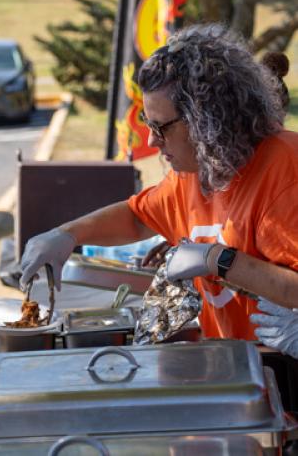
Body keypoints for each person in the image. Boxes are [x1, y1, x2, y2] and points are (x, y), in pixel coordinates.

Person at [20, 23, 298, 343]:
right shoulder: (196, 170)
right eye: (147, 124)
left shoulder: (285, 170)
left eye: (161, 126)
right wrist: (67, 234)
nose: (152, 140)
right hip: (234, 361)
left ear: (207, 120)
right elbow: (138, 218)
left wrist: (217, 260)